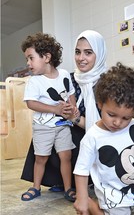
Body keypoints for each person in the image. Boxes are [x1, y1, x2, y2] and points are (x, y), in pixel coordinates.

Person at [20, 30, 107, 191]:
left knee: (69, 137)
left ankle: (76, 181)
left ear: (99, 53)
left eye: (88, 53)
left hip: (94, 131)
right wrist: (63, 112)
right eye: (77, 52)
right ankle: (57, 181)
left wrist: (72, 116)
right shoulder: (71, 77)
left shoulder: (107, 83)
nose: (81, 58)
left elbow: (107, 125)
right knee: (47, 129)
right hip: (67, 123)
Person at [73, 62, 134, 215]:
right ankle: (92, 205)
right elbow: (81, 170)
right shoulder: (93, 137)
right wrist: (81, 197)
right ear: (100, 104)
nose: (118, 123)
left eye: (126, 117)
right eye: (111, 115)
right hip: (113, 196)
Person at [20, 32, 78, 202]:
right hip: (43, 127)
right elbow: (31, 103)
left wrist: (71, 108)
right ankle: (35, 187)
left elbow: (71, 93)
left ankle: (68, 188)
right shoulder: (35, 81)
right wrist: (55, 109)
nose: (28, 63)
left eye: (31, 58)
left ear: (46, 57)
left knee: (65, 156)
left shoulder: (65, 74)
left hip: (63, 126)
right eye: (27, 59)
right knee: (41, 158)